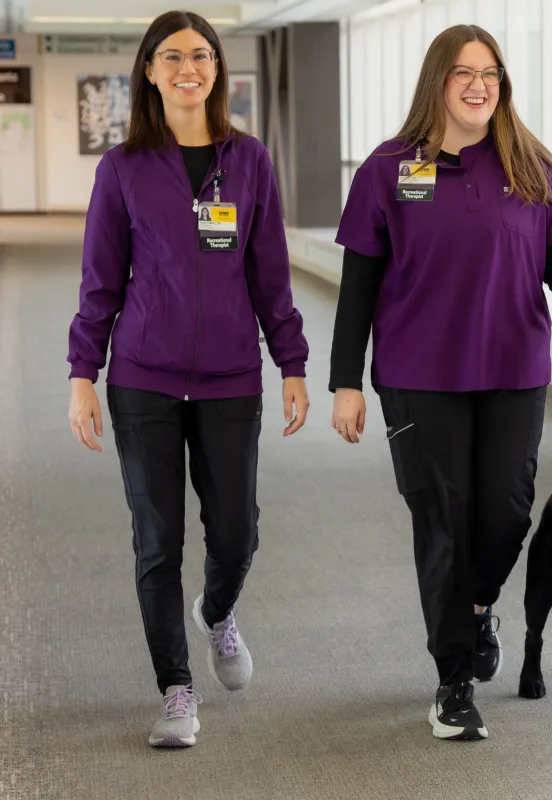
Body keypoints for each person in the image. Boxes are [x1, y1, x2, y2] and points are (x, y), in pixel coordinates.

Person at [328, 24, 552, 741]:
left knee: (508, 513)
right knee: (443, 522)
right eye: (462, 72)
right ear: (437, 82)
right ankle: (452, 678)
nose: (478, 84)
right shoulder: (387, 170)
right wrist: (345, 382)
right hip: (418, 376)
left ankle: (480, 608)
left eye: (488, 72)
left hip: (512, 369)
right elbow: (358, 284)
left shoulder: (528, 163)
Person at [66, 10, 310, 748]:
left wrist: (291, 362)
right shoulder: (123, 167)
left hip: (232, 376)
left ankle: (216, 612)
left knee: (237, 533)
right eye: (171, 56)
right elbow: (100, 282)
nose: (187, 68)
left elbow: (270, 276)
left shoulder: (251, 161)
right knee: (157, 539)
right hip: (142, 377)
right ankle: (176, 689)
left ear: (217, 70)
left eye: (200, 55)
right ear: (148, 70)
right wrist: (84, 373)